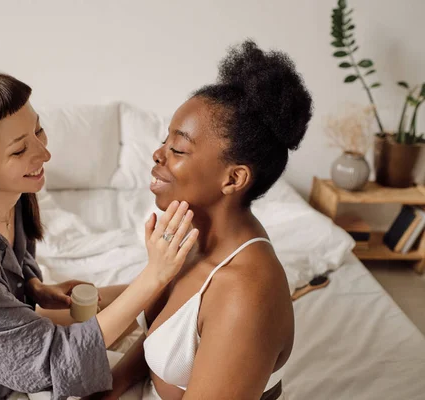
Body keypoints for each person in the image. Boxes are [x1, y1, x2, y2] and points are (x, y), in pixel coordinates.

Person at [0, 69, 199, 400]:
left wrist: (32, 285)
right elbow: (50, 361)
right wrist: (153, 276)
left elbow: (16, 261)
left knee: (132, 300)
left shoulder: (12, 198)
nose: (44, 154)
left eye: (39, 131)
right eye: (19, 150)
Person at [91, 40, 313, 400]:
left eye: (178, 149)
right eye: (165, 141)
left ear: (233, 179)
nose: (158, 154)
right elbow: (156, 341)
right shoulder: (192, 237)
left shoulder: (245, 294)